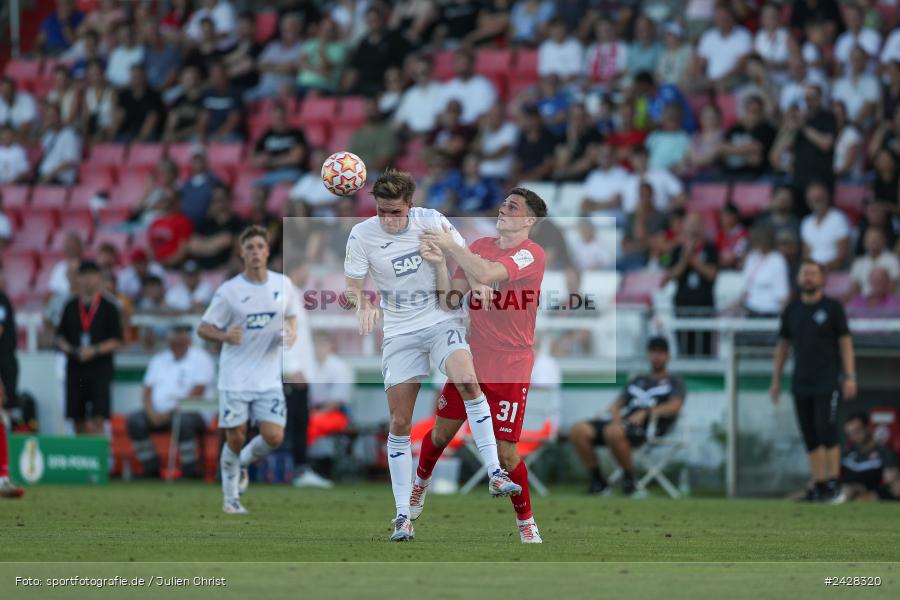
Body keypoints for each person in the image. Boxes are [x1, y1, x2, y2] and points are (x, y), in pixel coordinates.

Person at [343, 170, 521, 542]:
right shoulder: (362, 234)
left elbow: (465, 257)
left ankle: (495, 473)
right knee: (399, 422)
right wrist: (363, 304)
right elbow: (351, 287)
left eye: (394, 212)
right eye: (381, 212)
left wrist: (478, 284)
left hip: (442, 318)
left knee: (469, 381)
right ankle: (403, 516)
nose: (388, 219)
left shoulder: (431, 220)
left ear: (410, 204)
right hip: (400, 331)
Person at [412, 188, 548, 543]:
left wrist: (452, 245)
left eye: (513, 207)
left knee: (506, 452)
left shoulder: (531, 254)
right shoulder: (479, 246)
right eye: (504, 203)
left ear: (529, 220)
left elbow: (487, 274)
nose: (504, 209)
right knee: (441, 433)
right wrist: (441, 263)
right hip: (472, 358)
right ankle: (419, 486)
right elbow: (449, 299)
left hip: (511, 364)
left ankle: (526, 521)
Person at [198, 226, 299, 514]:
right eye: (250, 247)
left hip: (268, 378)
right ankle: (231, 499)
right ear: (242, 253)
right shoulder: (229, 291)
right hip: (235, 378)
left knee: (274, 437)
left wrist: (291, 333)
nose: (255, 251)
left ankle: (240, 462)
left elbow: (291, 318)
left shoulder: (283, 284)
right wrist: (224, 336)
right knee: (236, 436)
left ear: (268, 251)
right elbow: (203, 328)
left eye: (260, 246)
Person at [771, 260, 857, 502]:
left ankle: (834, 483)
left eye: (813, 273)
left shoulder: (832, 308)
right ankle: (819, 484)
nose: (808, 277)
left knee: (826, 429)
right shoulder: (792, 309)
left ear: (822, 279)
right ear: (798, 278)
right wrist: (776, 380)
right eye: (804, 273)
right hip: (801, 381)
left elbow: (846, 343)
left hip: (827, 380)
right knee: (809, 434)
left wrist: (850, 375)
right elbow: (782, 346)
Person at [570, 336, 686, 496]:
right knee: (578, 430)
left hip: (648, 428)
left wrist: (647, 412)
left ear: (668, 356)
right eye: (653, 352)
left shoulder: (674, 382)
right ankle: (598, 482)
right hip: (622, 425)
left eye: (661, 352)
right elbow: (617, 403)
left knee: (613, 431)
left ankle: (630, 482)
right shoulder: (638, 380)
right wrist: (615, 413)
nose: (656, 356)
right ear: (648, 355)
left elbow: (675, 406)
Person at [126, 324, 215, 478]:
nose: (177, 339)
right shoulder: (159, 359)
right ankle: (150, 467)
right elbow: (147, 391)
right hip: (158, 412)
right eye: (174, 335)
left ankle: (190, 469)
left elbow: (197, 393)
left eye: (181, 334)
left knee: (183, 421)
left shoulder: (201, 358)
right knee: (135, 420)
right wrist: (151, 412)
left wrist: (169, 413)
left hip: (191, 411)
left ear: (189, 339)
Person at [56, 260, 123, 435]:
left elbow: (117, 340)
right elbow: (60, 336)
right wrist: (73, 350)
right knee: (76, 414)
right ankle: (83, 453)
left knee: (99, 415)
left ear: (99, 278)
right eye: (83, 276)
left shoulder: (109, 307)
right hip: (76, 367)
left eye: (92, 276)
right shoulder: (70, 306)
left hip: (100, 368)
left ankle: (98, 454)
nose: (88, 280)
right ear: (77, 278)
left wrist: (95, 350)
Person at [665, 213, 718, 356]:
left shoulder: (710, 248)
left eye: (697, 224)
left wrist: (693, 260)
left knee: (705, 350)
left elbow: (712, 274)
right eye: (690, 224)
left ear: (702, 227)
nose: (693, 228)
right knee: (684, 349)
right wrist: (684, 258)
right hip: (682, 306)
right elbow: (671, 276)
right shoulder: (677, 250)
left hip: (704, 306)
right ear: (684, 227)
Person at [834, 412, 900, 503]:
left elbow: (890, 482)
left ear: (868, 428)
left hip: (871, 494)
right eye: (850, 433)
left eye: (857, 431)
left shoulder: (884, 452)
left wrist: (863, 489)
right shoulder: (846, 453)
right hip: (845, 492)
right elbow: (833, 477)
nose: (854, 436)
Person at [251, 103, 309, 188]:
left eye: (281, 117)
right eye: (276, 118)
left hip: (293, 171)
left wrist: (270, 161)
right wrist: (260, 160)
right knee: (255, 186)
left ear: (286, 117)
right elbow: (253, 157)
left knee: (284, 185)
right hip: (272, 173)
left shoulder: (296, 133)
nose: (279, 120)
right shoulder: (267, 134)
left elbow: (296, 158)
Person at [740, 226, 790, 316]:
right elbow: (745, 282)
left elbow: (782, 290)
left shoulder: (777, 259)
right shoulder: (752, 257)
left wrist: (783, 312)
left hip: (770, 309)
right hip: (750, 307)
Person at [800, 182, 849, 271]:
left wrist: (823, 268)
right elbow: (806, 255)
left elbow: (842, 255)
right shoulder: (806, 222)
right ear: (808, 201)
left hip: (833, 270)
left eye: (820, 197)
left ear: (827, 197)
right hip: (813, 273)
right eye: (813, 198)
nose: (817, 200)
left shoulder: (838, 218)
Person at [36, 102, 81, 186]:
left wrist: (50, 174)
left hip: (60, 179)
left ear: (59, 117)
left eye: (52, 116)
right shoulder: (48, 136)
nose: (50, 119)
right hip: (45, 176)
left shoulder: (69, 135)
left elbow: (70, 162)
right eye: (47, 117)